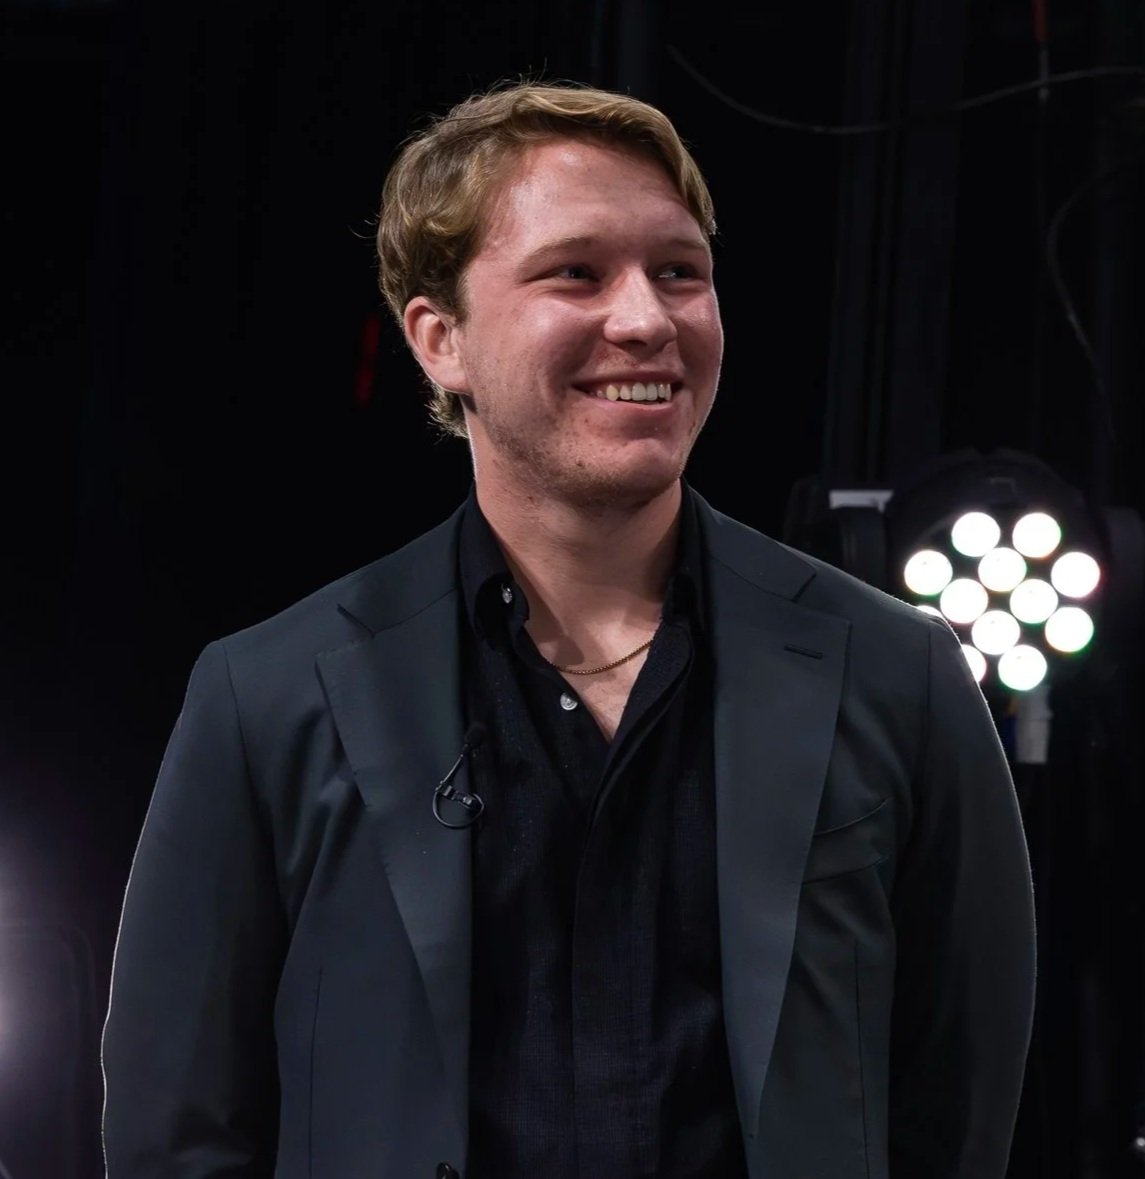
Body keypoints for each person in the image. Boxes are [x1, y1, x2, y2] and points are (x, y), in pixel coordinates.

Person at [102, 81, 1036, 1178]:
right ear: (440, 340)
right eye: (576, 273)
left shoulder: (899, 672)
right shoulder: (267, 696)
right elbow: (179, 1133)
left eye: (679, 272)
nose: (646, 320)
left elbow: (957, 1110)